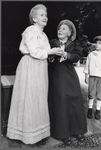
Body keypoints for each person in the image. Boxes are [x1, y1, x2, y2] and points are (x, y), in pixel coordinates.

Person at [7, 4, 63, 145]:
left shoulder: (43, 34)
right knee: (30, 98)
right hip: (30, 66)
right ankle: (28, 135)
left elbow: (44, 54)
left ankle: (38, 133)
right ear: (34, 18)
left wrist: (52, 55)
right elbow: (35, 52)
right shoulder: (30, 30)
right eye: (42, 15)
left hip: (40, 67)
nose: (45, 17)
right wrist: (51, 52)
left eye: (46, 15)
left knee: (39, 98)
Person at [48, 19, 87, 146]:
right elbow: (47, 58)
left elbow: (77, 57)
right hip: (56, 75)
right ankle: (62, 133)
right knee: (60, 102)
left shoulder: (74, 44)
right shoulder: (51, 42)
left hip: (70, 75)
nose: (60, 30)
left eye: (64, 28)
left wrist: (66, 54)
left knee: (75, 100)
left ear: (70, 33)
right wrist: (52, 56)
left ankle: (78, 130)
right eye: (59, 28)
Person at [83, 35, 101, 120]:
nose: (97, 45)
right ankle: (90, 109)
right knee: (91, 94)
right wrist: (86, 75)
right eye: (96, 43)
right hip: (92, 76)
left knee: (99, 94)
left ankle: (98, 110)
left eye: (100, 43)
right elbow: (87, 65)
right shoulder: (91, 54)